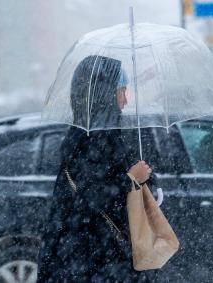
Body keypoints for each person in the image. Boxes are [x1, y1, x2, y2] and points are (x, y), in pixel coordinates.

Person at [37, 55, 155, 282]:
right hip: (88, 257)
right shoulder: (90, 139)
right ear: (105, 93)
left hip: (97, 255)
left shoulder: (103, 135)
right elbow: (91, 197)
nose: (125, 100)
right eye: (122, 90)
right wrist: (131, 179)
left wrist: (147, 178)